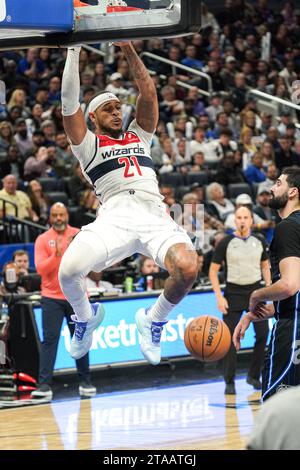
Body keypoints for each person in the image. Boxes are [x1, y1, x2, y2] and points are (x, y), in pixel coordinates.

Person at [59, 42, 197, 366]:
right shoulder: (88, 145)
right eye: (108, 108)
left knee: (188, 268)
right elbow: (68, 105)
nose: (116, 110)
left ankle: (153, 320)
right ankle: (85, 317)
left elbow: (148, 92)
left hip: (154, 214)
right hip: (114, 217)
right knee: (68, 272)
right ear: (92, 116)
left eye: (118, 106)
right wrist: (74, 50)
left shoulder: (139, 136)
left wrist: (128, 47)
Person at [233, 167, 300, 401]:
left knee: (275, 408)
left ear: (293, 192)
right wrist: (254, 315)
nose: (271, 188)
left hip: (293, 331)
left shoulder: (288, 227)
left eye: (278, 183)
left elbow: (290, 285)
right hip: (292, 317)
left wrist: (257, 295)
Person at [31, 203, 97, 400]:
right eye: (54, 215)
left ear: (67, 215)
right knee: (49, 340)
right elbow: (41, 270)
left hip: (76, 297)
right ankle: (44, 386)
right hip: (52, 298)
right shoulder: (43, 240)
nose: (58, 218)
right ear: (50, 217)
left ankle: (85, 382)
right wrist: (56, 255)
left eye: (61, 214)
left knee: (81, 339)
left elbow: (90, 262)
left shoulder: (79, 234)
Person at [209, 206, 271, 395]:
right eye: (239, 217)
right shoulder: (225, 242)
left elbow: (265, 267)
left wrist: (268, 290)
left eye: (246, 217)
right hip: (233, 293)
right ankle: (229, 381)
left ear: (252, 220)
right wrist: (219, 297)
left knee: (263, 334)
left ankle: (253, 376)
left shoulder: (259, 240)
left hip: (256, 293)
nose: (242, 220)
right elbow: (212, 271)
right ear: (234, 221)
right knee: (229, 338)